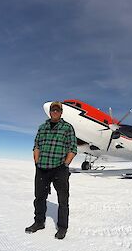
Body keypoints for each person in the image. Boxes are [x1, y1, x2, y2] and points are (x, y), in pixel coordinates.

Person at [25, 101, 77, 239]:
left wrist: (65, 164)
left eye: (57, 110)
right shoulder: (42, 127)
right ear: (50, 112)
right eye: (53, 110)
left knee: (63, 200)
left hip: (59, 168)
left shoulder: (67, 128)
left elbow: (73, 148)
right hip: (42, 168)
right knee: (39, 197)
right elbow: (36, 145)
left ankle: (62, 227)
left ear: (61, 112)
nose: (55, 112)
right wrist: (36, 162)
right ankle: (39, 222)